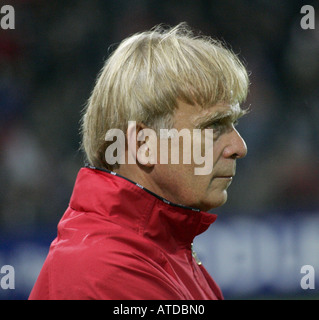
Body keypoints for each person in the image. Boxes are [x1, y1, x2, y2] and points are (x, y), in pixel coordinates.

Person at [29, 23, 249, 300]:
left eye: (233, 123)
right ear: (145, 145)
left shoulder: (161, 249)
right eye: (214, 126)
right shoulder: (105, 271)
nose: (239, 147)